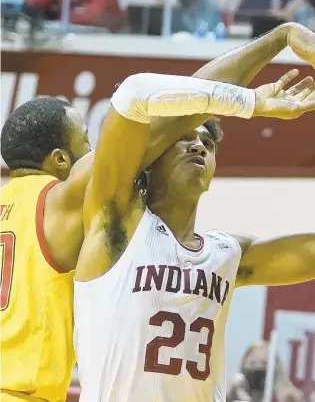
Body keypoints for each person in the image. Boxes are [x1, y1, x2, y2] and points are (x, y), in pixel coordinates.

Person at [1, 22, 314, 402]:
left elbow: (177, 112)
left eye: (206, 143)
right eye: (88, 144)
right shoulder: (78, 205)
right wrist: (253, 86)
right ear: (62, 160)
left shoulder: (225, 252)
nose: (97, 154)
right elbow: (164, 107)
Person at [73, 62, 315, 401]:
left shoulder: (227, 254)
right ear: (153, 156)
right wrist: (279, 42)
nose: (199, 146)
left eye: (207, 142)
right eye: (183, 139)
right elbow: (129, 102)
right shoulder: (117, 227)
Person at [227, 341, 303, 402]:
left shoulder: (285, 396)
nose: (258, 367)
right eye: (252, 363)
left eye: (264, 363)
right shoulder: (236, 393)